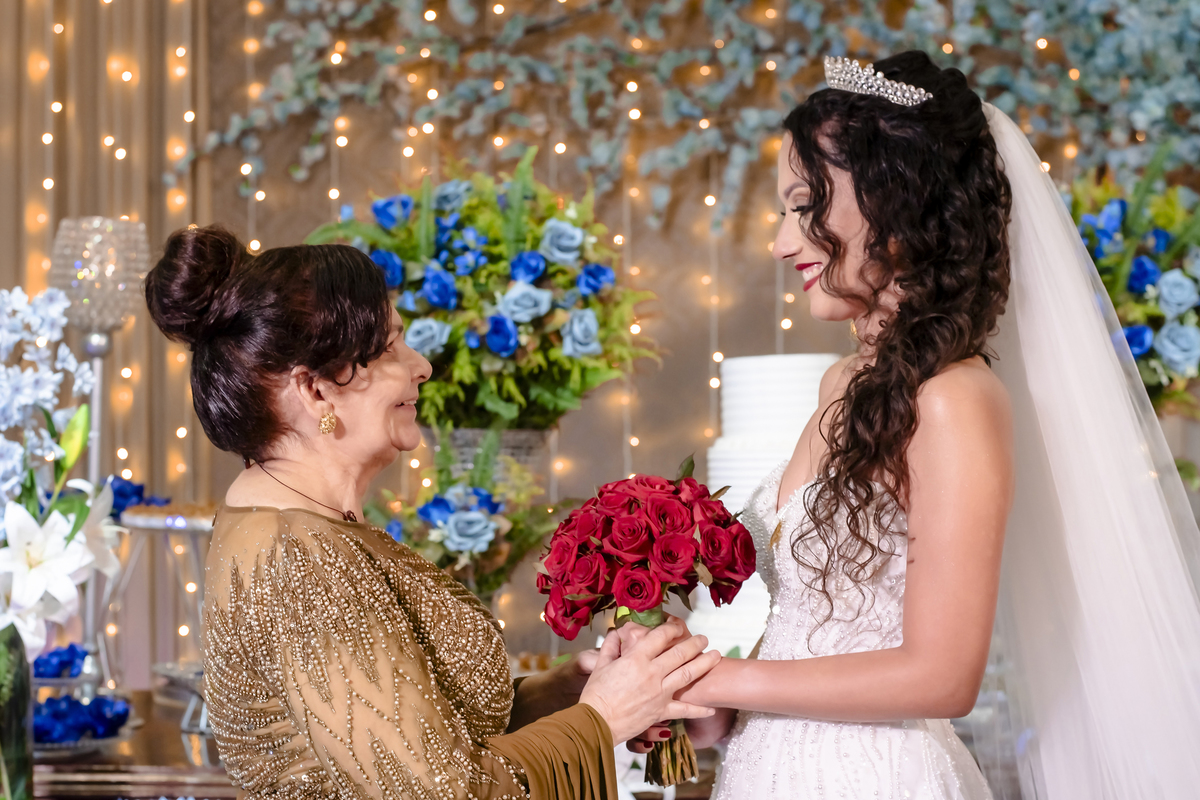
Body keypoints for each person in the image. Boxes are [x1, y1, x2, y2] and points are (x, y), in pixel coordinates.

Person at [661, 50, 1200, 798]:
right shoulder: (841, 385)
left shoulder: (955, 400)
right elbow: (813, 632)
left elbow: (942, 676)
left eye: (802, 205)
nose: (783, 243)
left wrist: (718, 677)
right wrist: (701, 701)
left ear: (893, 204)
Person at [144, 227, 721, 799]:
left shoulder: (313, 527)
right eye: (390, 347)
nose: (421, 365)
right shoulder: (296, 557)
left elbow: (423, 739)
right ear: (315, 390)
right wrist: (603, 717)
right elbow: (441, 792)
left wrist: (568, 692)